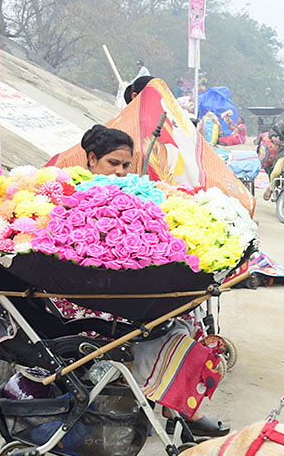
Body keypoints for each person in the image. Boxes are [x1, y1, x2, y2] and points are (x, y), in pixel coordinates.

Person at [78, 125, 230, 437]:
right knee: (159, 323)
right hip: (92, 294)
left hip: (126, 285)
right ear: (92, 159)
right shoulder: (77, 195)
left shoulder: (134, 191)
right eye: (112, 164)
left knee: (183, 318)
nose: (120, 172)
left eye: (125, 165)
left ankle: (176, 403)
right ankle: (175, 404)